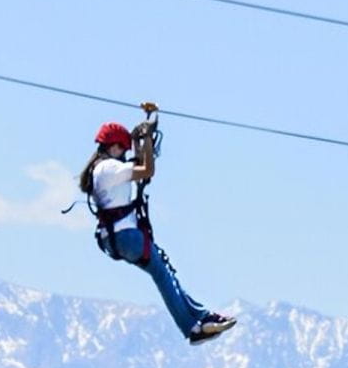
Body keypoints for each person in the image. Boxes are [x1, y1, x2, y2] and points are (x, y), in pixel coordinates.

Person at [79, 112, 237, 346]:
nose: (124, 156)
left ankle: (200, 319)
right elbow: (147, 170)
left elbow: (140, 163)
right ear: (114, 147)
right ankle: (192, 327)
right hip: (127, 236)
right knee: (163, 275)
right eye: (123, 150)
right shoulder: (109, 168)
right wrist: (145, 139)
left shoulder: (101, 169)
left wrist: (142, 139)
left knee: (164, 274)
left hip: (115, 239)